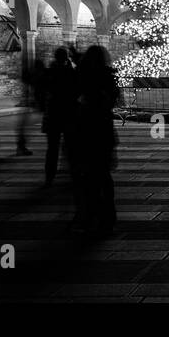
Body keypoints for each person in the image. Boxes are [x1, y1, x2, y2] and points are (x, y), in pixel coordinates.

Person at [73, 45, 120, 236]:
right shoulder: (108, 77)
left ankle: (89, 215)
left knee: (87, 176)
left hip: (86, 130)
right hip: (103, 129)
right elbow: (112, 100)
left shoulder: (83, 78)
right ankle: (107, 215)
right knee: (103, 175)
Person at [41, 47, 77, 186]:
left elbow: (45, 90)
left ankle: (49, 177)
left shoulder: (50, 72)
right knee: (70, 146)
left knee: (52, 148)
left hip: (53, 115)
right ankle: (73, 174)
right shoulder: (69, 72)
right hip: (68, 114)